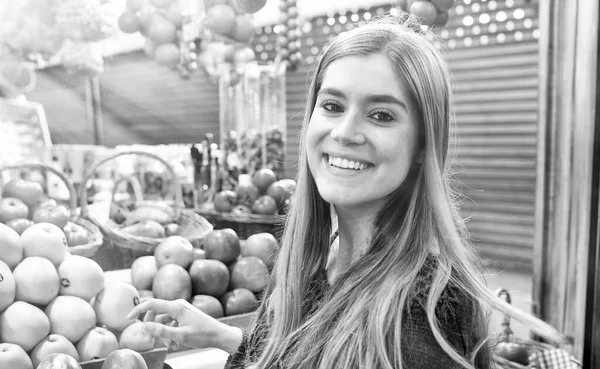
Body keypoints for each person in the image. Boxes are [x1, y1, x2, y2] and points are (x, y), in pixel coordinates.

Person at [128, 13, 563, 369]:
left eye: (381, 115)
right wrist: (228, 337)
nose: (345, 132)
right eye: (332, 106)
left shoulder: (419, 318)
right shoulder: (325, 259)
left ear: (421, 146)